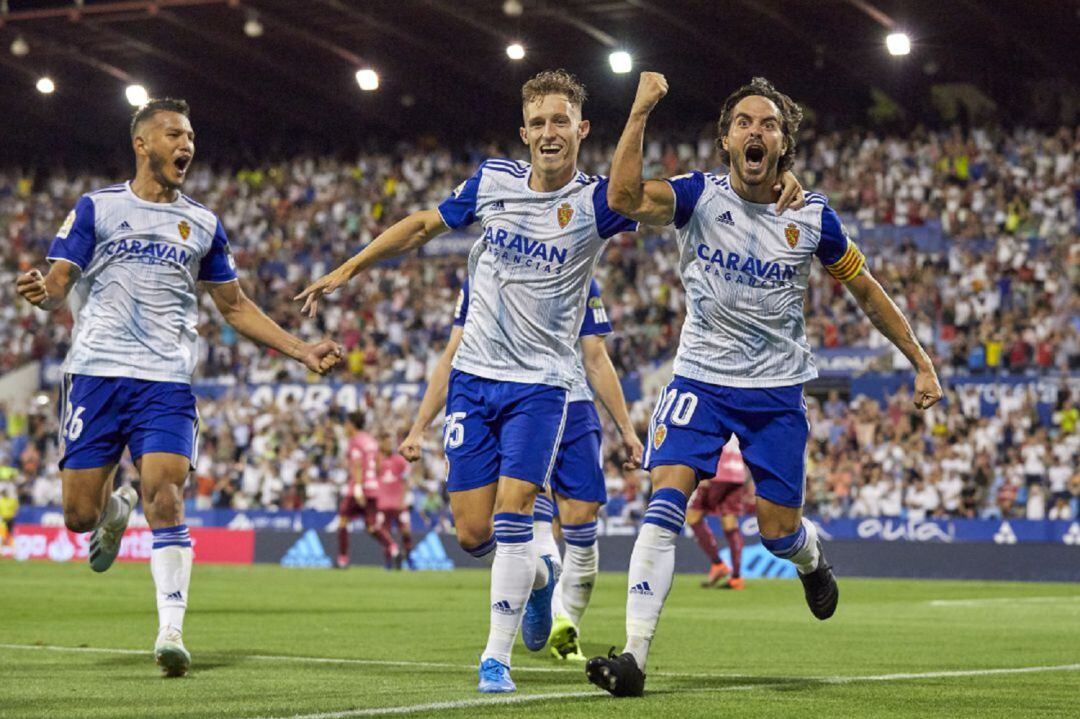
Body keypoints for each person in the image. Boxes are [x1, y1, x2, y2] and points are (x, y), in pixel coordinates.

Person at [297, 68, 802, 694]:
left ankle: (495, 659)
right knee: (473, 531)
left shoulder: (596, 203)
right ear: (524, 132)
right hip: (473, 380)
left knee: (514, 514)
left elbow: (671, 196)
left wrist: (779, 181)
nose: (548, 132)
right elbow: (422, 226)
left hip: (542, 385)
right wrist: (346, 270)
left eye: (560, 120)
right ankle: (540, 579)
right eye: (537, 122)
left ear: (581, 129)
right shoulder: (491, 183)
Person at [586, 73, 943, 697]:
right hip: (699, 377)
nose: (757, 131)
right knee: (664, 502)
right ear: (726, 141)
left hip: (776, 392)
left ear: (784, 144)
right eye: (745, 123)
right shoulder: (699, 197)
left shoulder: (811, 216)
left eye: (769, 124)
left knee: (777, 533)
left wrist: (918, 358)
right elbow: (620, 198)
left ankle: (811, 560)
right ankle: (635, 657)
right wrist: (640, 109)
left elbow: (865, 292)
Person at [15, 98, 342, 677]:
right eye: (173, 134)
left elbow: (234, 307)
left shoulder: (205, 223)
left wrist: (301, 349)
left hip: (165, 380)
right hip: (96, 373)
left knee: (165, 498)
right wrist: (42, 290)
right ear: (143, 144)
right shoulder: (97, 207)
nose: (185, 144)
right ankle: (115, 512)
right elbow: (59, 283)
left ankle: (170, 630)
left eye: (190, 135)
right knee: (77, 516)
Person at [399, 276, 643, 662]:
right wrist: (420, 423)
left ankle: (565, 625)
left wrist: (625, 428)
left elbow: (595, 356)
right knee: (515, 518)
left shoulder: (574, 264)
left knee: (580, 524)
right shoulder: (481, 271)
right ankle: (544, 595)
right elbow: (454, 352)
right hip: (512, 401)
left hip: (571, 402)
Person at [337, 412, 399, 569]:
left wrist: (358, 487)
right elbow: (378, 464)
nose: (345, 427)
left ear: (351, 425)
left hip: (359, 487)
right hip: (373, 488)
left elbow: (357, 464)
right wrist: (373, 481)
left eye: (346, 424)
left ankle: (342, 559)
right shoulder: (371, 441)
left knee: (343, 521)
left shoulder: (355, 441)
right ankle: (393, 548)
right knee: (371, 526)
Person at [687, 436, 748, 590]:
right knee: (730, 524)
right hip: (736, 472)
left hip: (716, 472)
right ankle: (736, 578)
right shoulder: (742, 414)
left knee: (693, 517)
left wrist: (702, 471)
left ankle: (717, 563)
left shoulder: (715, 411)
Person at [375, 431, 414, 569]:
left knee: (406, 531)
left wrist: (403, 499)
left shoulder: (399, 460)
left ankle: (409, 559)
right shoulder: (376, 460)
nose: (389, 444)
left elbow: (406, 481)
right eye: (386, 442)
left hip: (398, 504)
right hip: (382, 504)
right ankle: (388, 562)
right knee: (385, 535)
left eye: (390, 442)